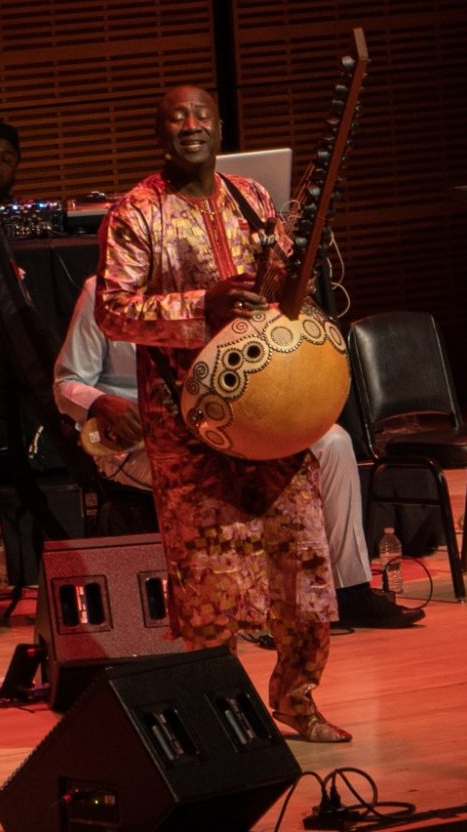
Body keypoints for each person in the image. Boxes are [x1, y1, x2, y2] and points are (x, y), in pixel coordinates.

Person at [95, 85, 349, 742]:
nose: (189, 125)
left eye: (200, 115)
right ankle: (222, 720)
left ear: (219, 126)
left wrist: (301, 270)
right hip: (190, 428)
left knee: (302, 564)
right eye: (176, 117)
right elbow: (113, 311)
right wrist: (196, 309)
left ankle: (298, 698)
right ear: (160, 133)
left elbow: (282, 289)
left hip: (273, 412)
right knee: (210, 580)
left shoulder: (252, 199)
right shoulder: (136, 213)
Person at [54, 275, 425, 629]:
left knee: (333, 441)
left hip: (225, 426)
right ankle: (245, 602)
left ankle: (351, 591)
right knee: (226, 467)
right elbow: (66, 382)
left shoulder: (219, 285)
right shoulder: (102, 292)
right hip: (141, 441)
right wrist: (102, 402)